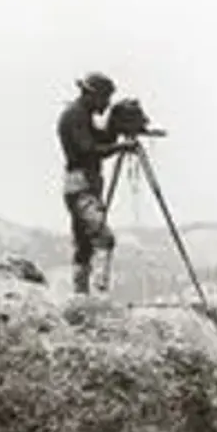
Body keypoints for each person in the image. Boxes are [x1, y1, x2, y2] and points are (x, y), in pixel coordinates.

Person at [57, 72, 130, 293]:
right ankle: (99, 294)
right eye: (104, 98)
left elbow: (101, 140)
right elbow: (88, 150)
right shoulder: (75, 116)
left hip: (81, 185)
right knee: (103, 238)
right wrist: (120, 147)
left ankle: (80, 297)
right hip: (82, 186)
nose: (106, 104)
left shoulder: (81, 114)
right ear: (92, 96)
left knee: (84, 246)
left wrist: (115, 127)